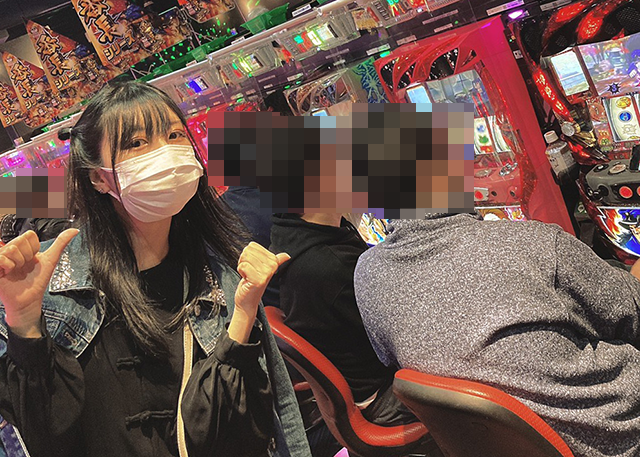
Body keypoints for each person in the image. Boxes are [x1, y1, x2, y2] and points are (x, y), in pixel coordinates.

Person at [0, 81, 312, 457]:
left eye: (174, 135)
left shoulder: (223, 274)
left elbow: (275, 413)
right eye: (137, 142)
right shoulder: (48, 287)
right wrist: (24, 324)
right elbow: (42, 433)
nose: (164, 152)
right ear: (98, 177)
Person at [354, 213, 640, 457]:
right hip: (614, 434)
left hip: (492, 445)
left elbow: (389, 357)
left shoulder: (367, 272)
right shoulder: (535, 241)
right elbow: (632, 317)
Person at [270, 213, 418, 428]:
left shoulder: (292, 231)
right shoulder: (332, 265)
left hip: (360, 377)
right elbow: (400, 341)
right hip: (379, 397)